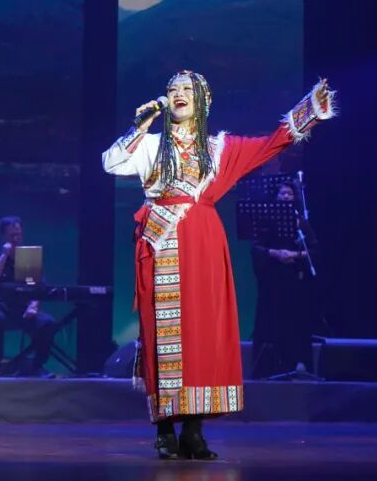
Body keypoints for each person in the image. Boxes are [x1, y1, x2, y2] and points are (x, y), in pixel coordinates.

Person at [103, 70, 334, 460]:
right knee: (163, 333)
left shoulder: (221, 148)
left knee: (203, 332)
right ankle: (164, 429)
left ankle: (194, 431)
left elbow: (270, 144)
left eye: (187, 89)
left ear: (203, 101)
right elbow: (111, 163)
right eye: (172, 89)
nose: (178, 93)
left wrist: (310, 111)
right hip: (160, 243)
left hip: (204, 243)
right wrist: (139, 126)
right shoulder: (151, 144)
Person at [250, 181, 318, 377]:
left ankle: (297, 363)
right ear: (276, 197)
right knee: (270, 319)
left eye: (289, 193)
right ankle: (267, 366)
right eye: (282, 194)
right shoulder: (266, 220)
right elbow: (256, 248)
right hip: (272, 278)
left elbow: (314, 249)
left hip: (294, 278)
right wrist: (276, 253)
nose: (286, 196)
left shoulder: (301, 222)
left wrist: (294, 255)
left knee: (296, 320)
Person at [0, 216, 57, 376]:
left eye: (19, 235)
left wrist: (33, 305)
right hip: (1, 308)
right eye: (12, 235)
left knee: (47, 323)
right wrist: (4, 255)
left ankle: (37, 366)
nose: (16, 239)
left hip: (24, 310)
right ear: (3, 236)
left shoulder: (28, 258)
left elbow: (38, 286)